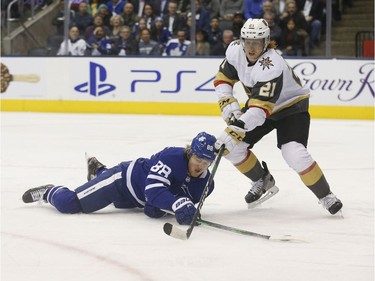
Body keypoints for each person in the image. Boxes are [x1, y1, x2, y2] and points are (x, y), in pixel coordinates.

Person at [213, 18, 343, 215]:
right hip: (260, 104)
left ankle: (325, 195)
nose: (251, 47)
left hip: (291, 107)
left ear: (266, 42)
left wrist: (234, 129)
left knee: (294, 153)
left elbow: (258, 113)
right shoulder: (235, 50)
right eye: (247, 41)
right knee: (234, 150)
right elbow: (223, 78)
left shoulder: (272, 64)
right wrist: (227, 103)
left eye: (256, 42)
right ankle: (261, 180)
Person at [21, 132, 217, 226]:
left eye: (206, 162)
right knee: (69, 204)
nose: (200, 166)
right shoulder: (171, 157)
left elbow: (154, 206)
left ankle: (97, 170)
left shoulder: (206, 185)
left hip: (135, 199)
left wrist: (174, 209)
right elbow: (154, 191)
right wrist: (176, 205)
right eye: (197, 159)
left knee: (119, 202)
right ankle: (49, 191)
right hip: (121, 181)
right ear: (189, 153)